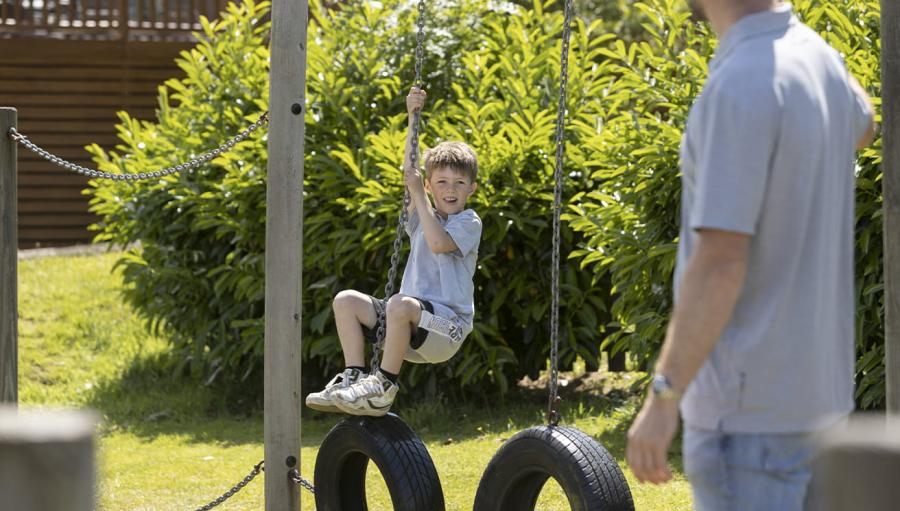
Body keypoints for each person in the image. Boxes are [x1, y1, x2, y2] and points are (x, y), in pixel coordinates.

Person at [625, 1, 875, 509]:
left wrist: (663, 397)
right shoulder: (818, 58)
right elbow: (864, 123)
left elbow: (720, 264)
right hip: (819, 408)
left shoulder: (740, 85)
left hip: (748, 420)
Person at [305, 87, 482, 417]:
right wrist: (412, 117)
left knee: (400, 302)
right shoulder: (422, 213)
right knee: (346, 300)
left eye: (459, 183)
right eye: (441, 182)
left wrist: (419, 195)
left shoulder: (468, 221)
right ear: (430, 186)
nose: (451, 190)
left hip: (448, 329)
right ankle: (354, 378)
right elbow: (410, 172)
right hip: (410, 327)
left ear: (471, 187)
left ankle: (383, 385)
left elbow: (439, 243)